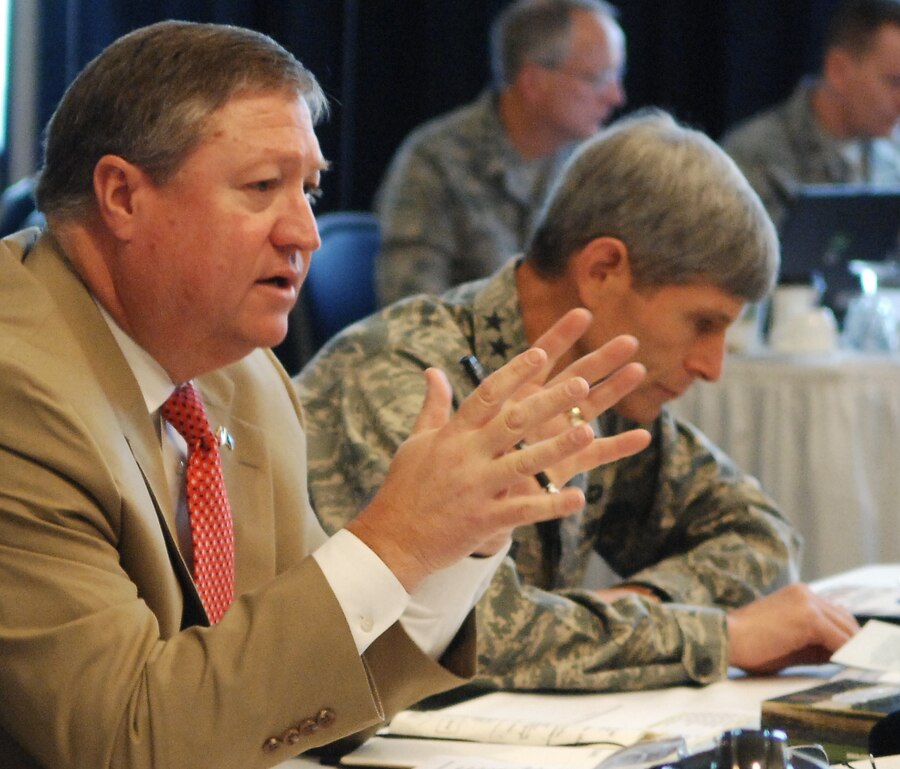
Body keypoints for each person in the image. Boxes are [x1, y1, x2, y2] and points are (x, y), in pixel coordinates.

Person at [0, 20, 652, 768]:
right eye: (261, 187)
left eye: (309, 189)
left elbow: (308, 696)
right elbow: (125, 737)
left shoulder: (240, 374)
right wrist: (391, 540)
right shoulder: (16, 389)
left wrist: (453, 541)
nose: (305, 232)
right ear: (121, 194)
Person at [298, 110, 860, 692]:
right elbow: (463, 643)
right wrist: (718, 636)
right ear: (602, 269)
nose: (712, 367)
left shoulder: (603, 386)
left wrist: (639, 604)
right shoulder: (411, 378)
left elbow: (762, 535)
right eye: (701, 323)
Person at [374, 0, 626, 307]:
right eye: (597, 78)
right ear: (534, 82)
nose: (616, 96)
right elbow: (411, 311)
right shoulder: (435, 160)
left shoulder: (590, 166)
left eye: (617, 76)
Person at [722, 0, 900, 277]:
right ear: (838, 70)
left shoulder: (898, 148)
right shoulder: (755, 153)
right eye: (897, 82)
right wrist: (883, 227)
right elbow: (752, 275)